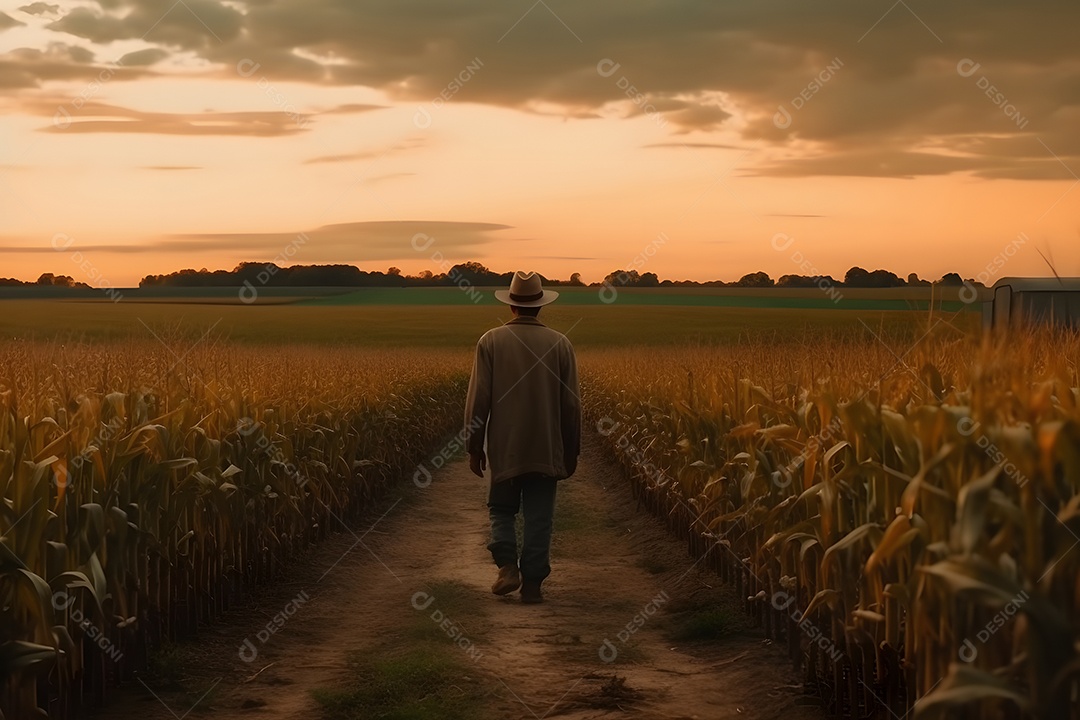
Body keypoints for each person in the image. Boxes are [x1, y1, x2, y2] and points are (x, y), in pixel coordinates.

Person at [464, 270, 581, 604]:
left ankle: (506, 567)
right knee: (539, 516)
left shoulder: (490, 341)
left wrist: (474, 447)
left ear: (512, 306)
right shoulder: (561, 344)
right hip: (547, 447)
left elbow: (479, 400)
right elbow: (571, 404)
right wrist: (571, 451)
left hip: (504, 447)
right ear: (540, 307)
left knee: (501, 510)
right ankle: (533, 586)